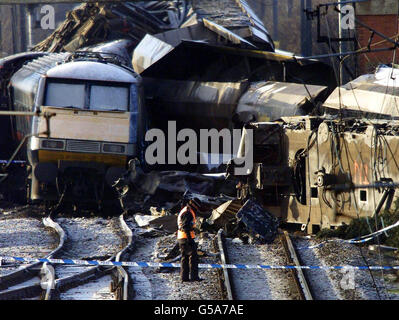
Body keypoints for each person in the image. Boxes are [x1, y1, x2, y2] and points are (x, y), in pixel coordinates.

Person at [177, 198, 203, 282]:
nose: (197, 209)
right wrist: (189, 239)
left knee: (185, 257)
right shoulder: (188, 212)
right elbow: (185, 226)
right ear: (194, 205)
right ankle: (194, 277)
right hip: (186, 237)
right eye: (197, 206)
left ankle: (184, 278)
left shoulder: (186, 210)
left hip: (182, 237)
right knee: (193, 257)